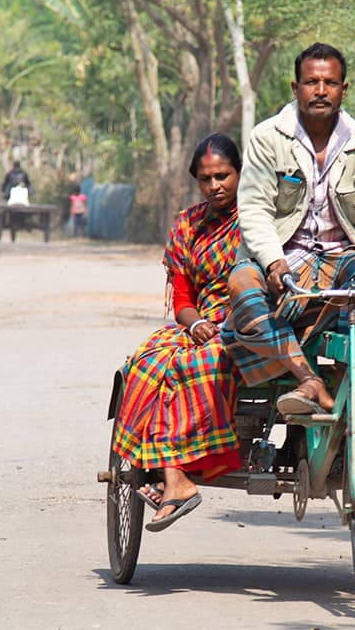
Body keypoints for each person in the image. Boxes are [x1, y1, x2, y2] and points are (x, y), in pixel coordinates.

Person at [223, 42, 355, 416]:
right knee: (242, 283)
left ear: (344, 89)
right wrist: (273, 263)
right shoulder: (268, 137)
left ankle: (353, 394)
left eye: (330, 82)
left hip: (341, 257)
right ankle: (308, 378)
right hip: (284, 259)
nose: (320, 91)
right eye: (311, 82)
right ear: (296, 88)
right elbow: (254, 209)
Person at [112, 133, 246, 532]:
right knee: (145, 364)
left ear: (239, 173)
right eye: (205, 179)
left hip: (245, 322)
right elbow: (183, 298)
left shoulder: (258, 218)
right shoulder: (188, 225)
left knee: (197, 366)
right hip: (199, 321)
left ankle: (175, 479)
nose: (215, 186)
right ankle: (174, 476)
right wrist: (197, 322)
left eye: (223, 176)